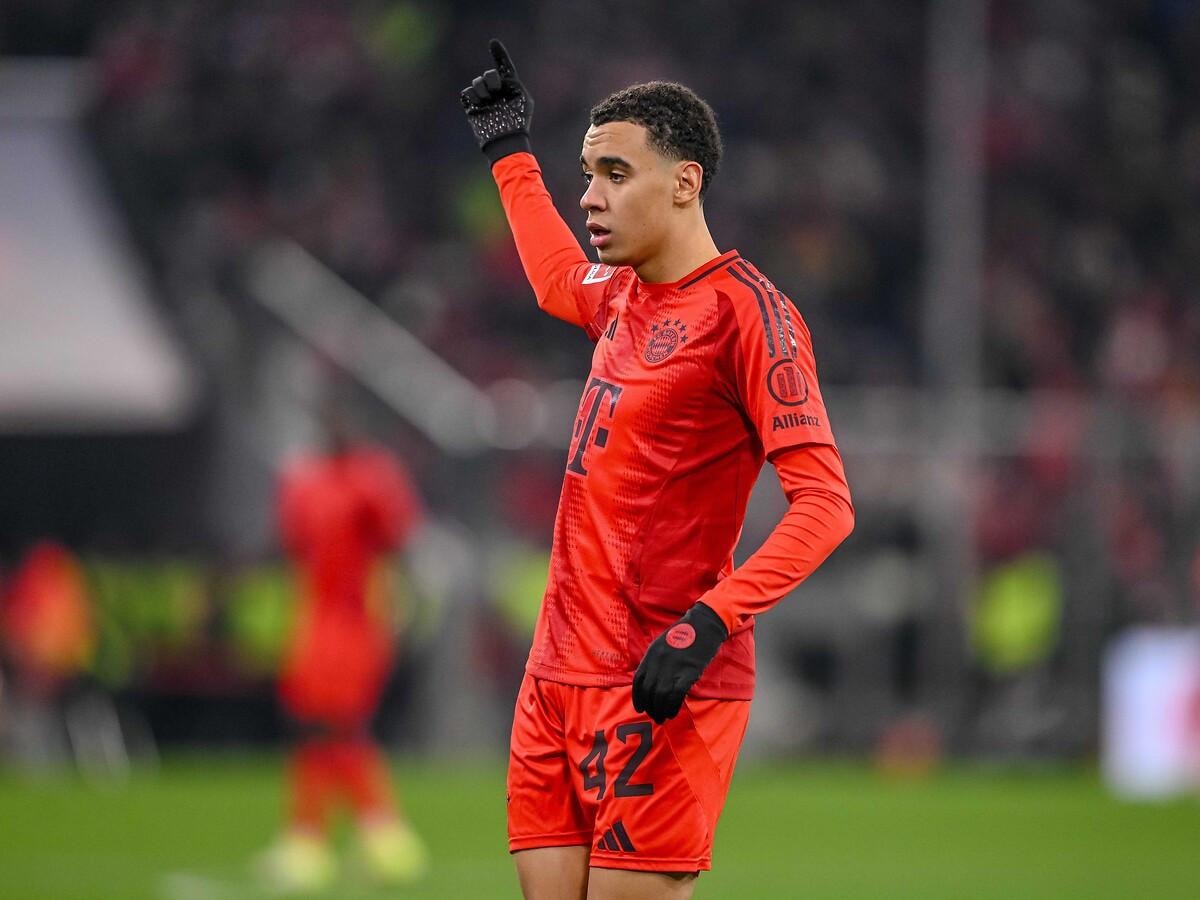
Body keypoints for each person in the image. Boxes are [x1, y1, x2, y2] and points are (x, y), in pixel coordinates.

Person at [461, 41, 856, 900]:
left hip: (663, 680)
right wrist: (510, 153)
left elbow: (825, 505)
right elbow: (555, 278)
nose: (590, 195)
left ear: (685, 183)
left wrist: (711, 621)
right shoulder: (623, 295)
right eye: (587, 175)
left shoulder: (751, 317)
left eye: (615, 173)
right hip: (554, 675)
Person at [257, 402, 428, 892]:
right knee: (318, 730)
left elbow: (398, 545)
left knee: (336, 729)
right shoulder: (307, 482)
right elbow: (291, 548)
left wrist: (398, 607)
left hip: (355, 623)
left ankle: (330, 839)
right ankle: (367, 838)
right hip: (318, 621)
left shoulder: (371, 479)